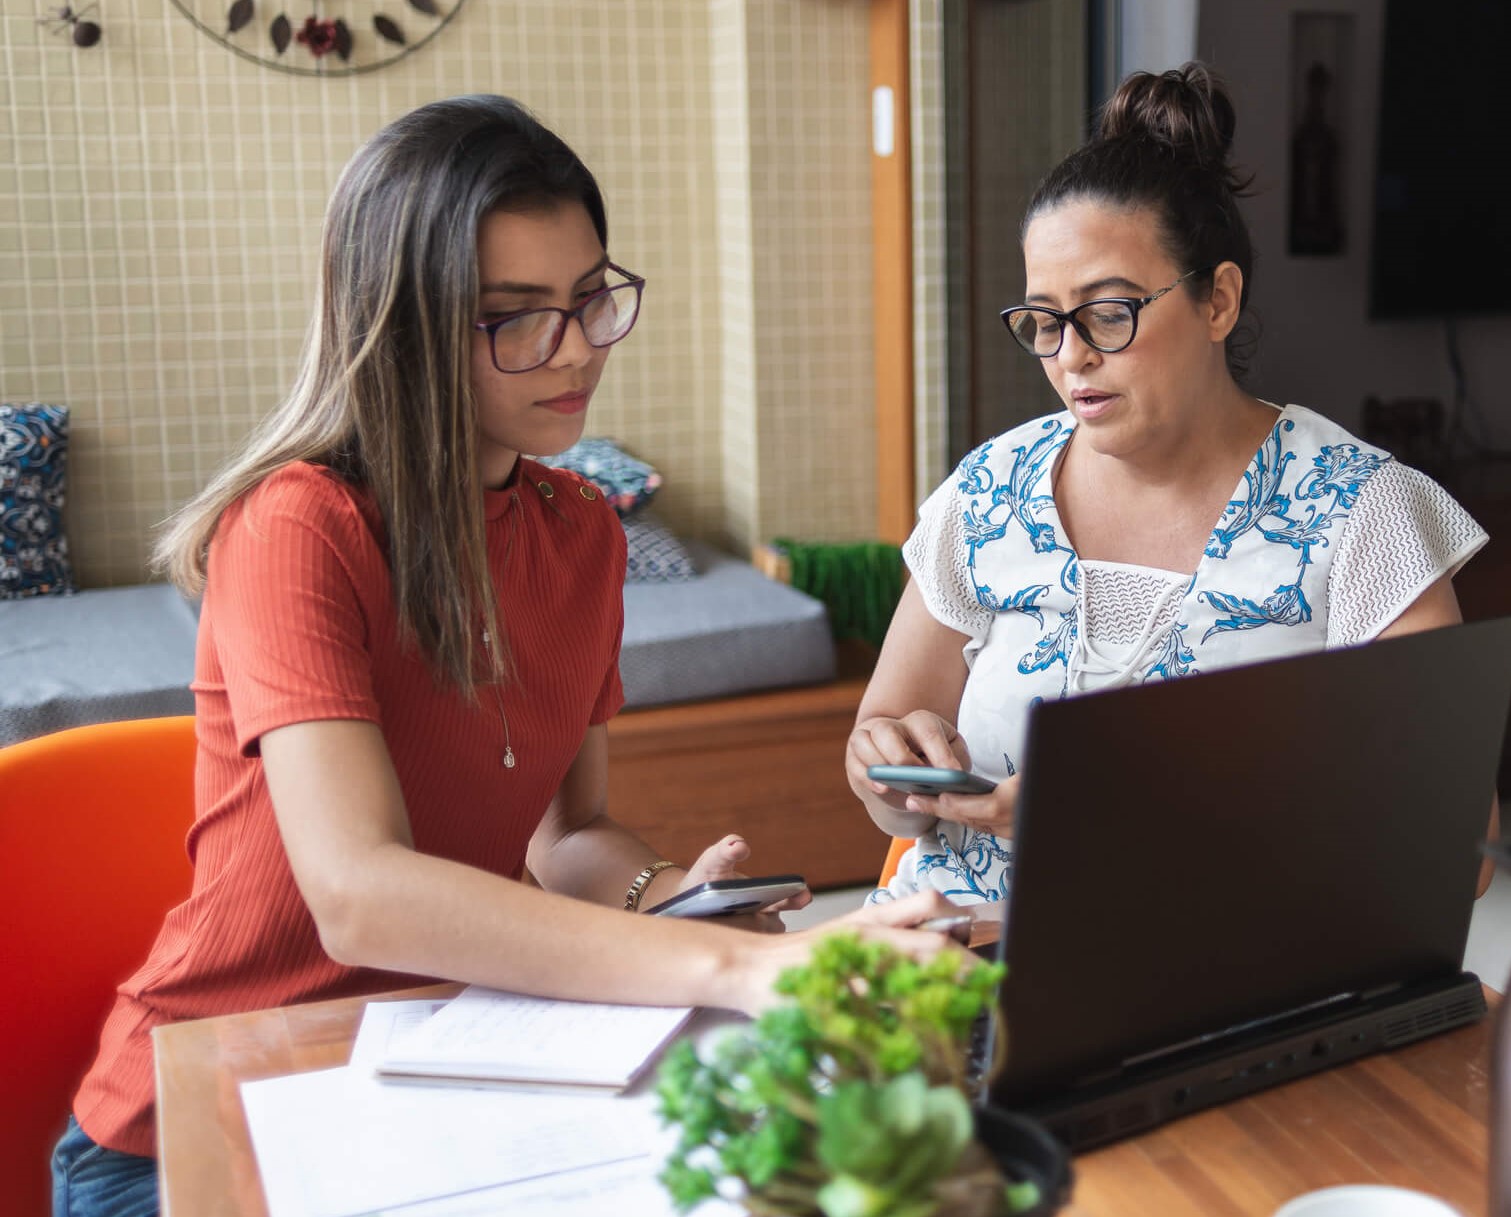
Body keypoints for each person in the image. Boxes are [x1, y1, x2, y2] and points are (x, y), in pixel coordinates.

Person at [54, 95, 962, 1217]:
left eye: (589, 299)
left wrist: (674, 898)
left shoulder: (582, 528)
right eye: (515, 316)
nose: (575, 347)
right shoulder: (298, 526)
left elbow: (570, 833)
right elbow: (360, 893)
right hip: (199, 1113)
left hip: (436, 1067)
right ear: (405, 324)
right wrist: (742, 971)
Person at [847, 63, 1500, 908]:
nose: (1070, 355)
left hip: (1220, 985)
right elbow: (878, 772)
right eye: (1044, 321)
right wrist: (886, 769)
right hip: (958, 952)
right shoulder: (989, 492)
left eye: (1109, 312)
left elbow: (1461, 849)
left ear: (1218, 300)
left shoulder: (1358, 512)